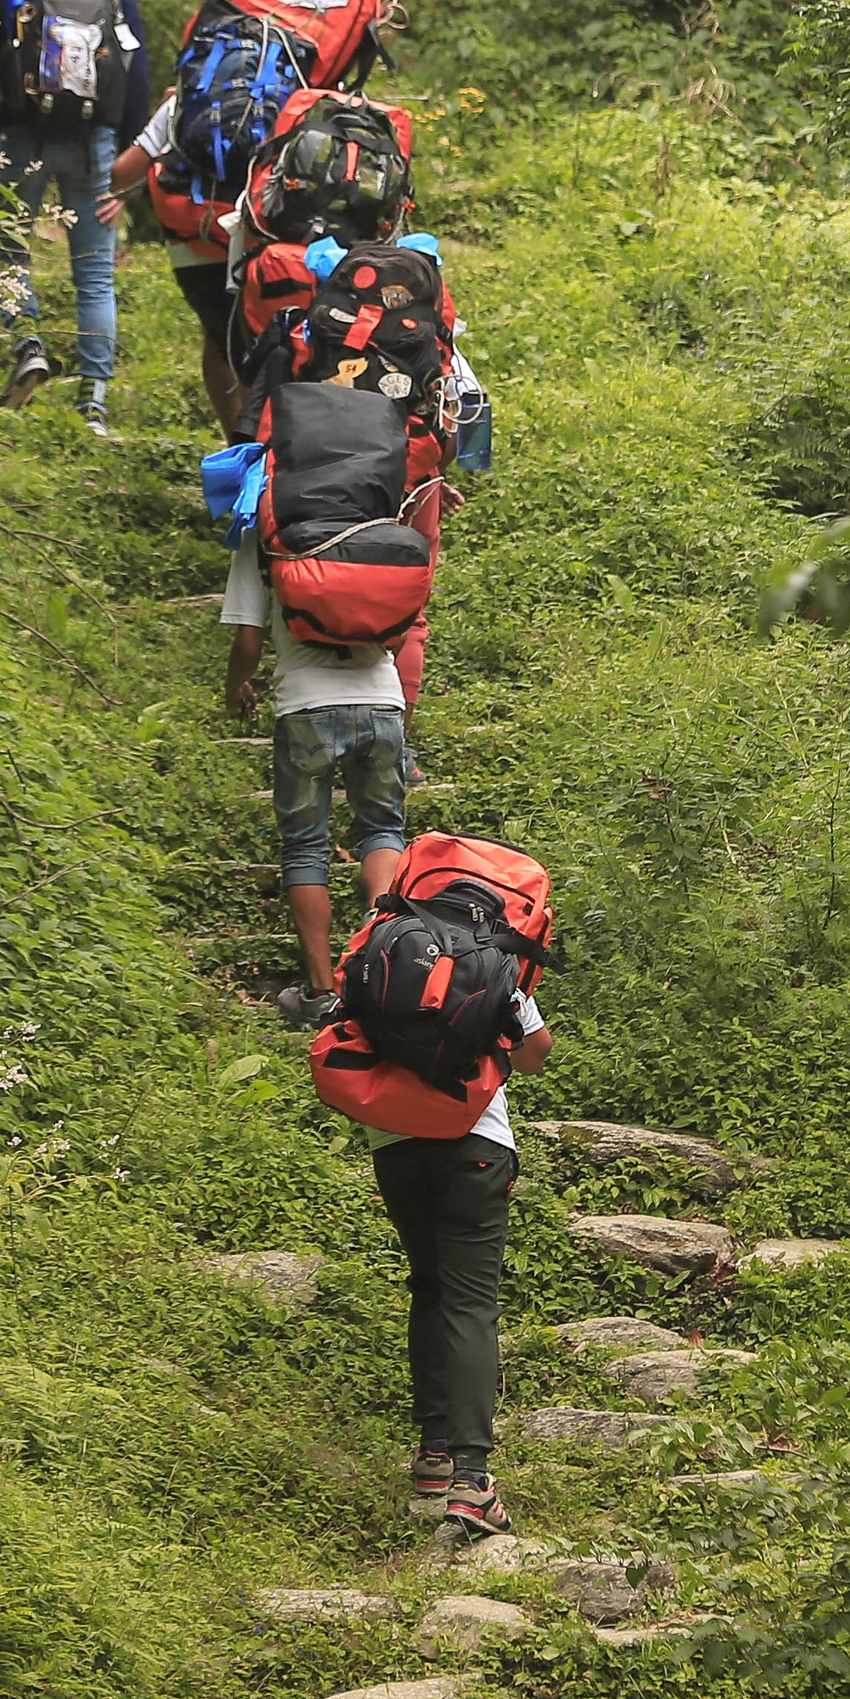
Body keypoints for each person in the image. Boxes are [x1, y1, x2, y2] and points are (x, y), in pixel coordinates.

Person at [0, 0, 149, 432]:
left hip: (20, 136)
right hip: (95, 145)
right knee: (93, 275)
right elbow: (136, 81)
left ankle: (27, 345)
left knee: (10, 252)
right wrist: (127, 171)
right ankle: (94, 405)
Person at [376, 955, 550, 1538]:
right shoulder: (488, 957)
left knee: (428, 1287)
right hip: (474, 1139)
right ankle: (473, 1482)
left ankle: (433, 1458)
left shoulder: (385, 944)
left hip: (393, 1139)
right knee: (470, 1301)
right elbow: (535, 1052)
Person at [222, 535, 407, 1029]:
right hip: (382, 701)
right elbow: (401, 626)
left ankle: (321, 994)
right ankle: (383, 971)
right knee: (382, 830)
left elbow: (247, 640)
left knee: (305, 847)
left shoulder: (261, 536)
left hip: (305, 707)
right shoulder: (370, 527)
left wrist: (234, 688)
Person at [109, 94, 243, 432]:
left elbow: (122, 172)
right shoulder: (299, 88)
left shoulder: (190, 96)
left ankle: (240, 453)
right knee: (270, 345)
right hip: (268, 242)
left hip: (195, 241)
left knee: (220, 339)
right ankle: (272, 459)